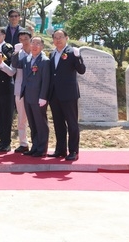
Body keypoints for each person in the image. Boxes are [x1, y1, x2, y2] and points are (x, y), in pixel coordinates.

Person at [48, 29, 86, 161]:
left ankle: (73, 151)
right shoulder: (52, 54)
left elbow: (82, 70)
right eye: (55, 37)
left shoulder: (71, 52)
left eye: (60, 37)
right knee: (58, 124)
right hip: (54, 94)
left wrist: (78, 57)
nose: (58, 39)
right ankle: (60, 149)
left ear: (66, 38)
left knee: (72, 123)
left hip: (69, 94)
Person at [12, 36, 51, 157]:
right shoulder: (27, 59)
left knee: (41, 124)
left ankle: (42, 149)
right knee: (33, 124)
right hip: (27, 96)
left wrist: (43, 97)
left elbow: (46, 80)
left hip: (39, 97)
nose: (34, 46)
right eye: (33, 43)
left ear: (42, 46)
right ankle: (35, 146)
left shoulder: (44, 61)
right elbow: (16, 64)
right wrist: (15, 52)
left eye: (37, 43)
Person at [12, 30, 33, 153]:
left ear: (30, 39)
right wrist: (15, 53)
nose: (24, 41)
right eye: (21, 39)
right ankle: (23, 143)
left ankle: (37, 142)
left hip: (34, 90)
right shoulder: (17, 54)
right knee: (21, 118)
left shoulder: (36, 52)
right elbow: (14, 69)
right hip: (20, 89)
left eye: (26, 39)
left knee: (35, 118)